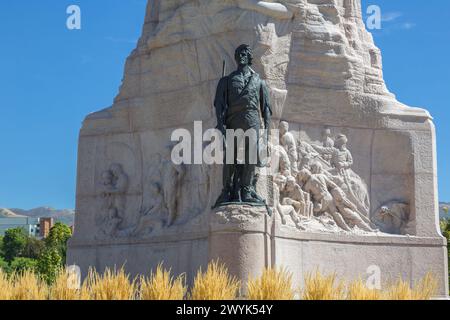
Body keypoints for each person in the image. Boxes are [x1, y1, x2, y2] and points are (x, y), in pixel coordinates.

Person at [214, 44, 272, 205]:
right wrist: (220, 123)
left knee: (251, 156)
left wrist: (267, 131)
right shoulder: (226, 80)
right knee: (230, 157)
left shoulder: (259, 81)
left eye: (244, 54)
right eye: (238, 53)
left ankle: (246, 189)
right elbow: (219, 104)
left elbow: (266, 108)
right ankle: (226, 189)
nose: (241, 56)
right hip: (233, 119)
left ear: (249, 58)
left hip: (253, 119)